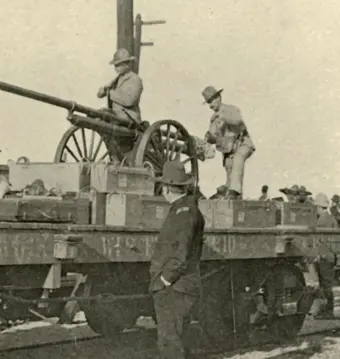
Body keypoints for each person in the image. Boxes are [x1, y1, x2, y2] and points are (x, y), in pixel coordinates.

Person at [149, 160, 205, 359]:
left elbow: (181, 253)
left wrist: (164, 280)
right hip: (179, 286)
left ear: (166, 187)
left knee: (170, 342)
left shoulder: (184, 212)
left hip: (175, 288)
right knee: (177, 340)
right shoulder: (185, 208)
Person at [202, 86, 255, 199]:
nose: (210, 105)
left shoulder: (231, 109)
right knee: (230, 168)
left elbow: (238, 121)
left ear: (219, 98)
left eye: (211, 101)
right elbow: (214, 136)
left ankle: (234, 191)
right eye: (208, 102)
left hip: (243, 143)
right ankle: (234, 195)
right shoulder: (213, 120)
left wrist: (222, 116)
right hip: (229, 149)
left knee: (238, 158)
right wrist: (209, 138)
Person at [96, 48, 143, 126]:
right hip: (117, 116)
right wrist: (103, 91)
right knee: (96, 115)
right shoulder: (117, 79)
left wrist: (110, 93)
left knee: (103, 115)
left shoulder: (135, 80)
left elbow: (129, 101)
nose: (115, 68)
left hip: (129, 118)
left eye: (117, 65)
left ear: (126, 65)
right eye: (115, 65)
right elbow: (99, 94)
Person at [310, 192, 338, 318]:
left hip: (325, 256)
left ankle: (328, 311)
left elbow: (321, 240)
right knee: (326, 284)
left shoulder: (322, 220)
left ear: (319, 207)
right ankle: (326, 310)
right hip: (330, 255)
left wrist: (318, 253)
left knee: (325, 285)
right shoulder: (331, 218)